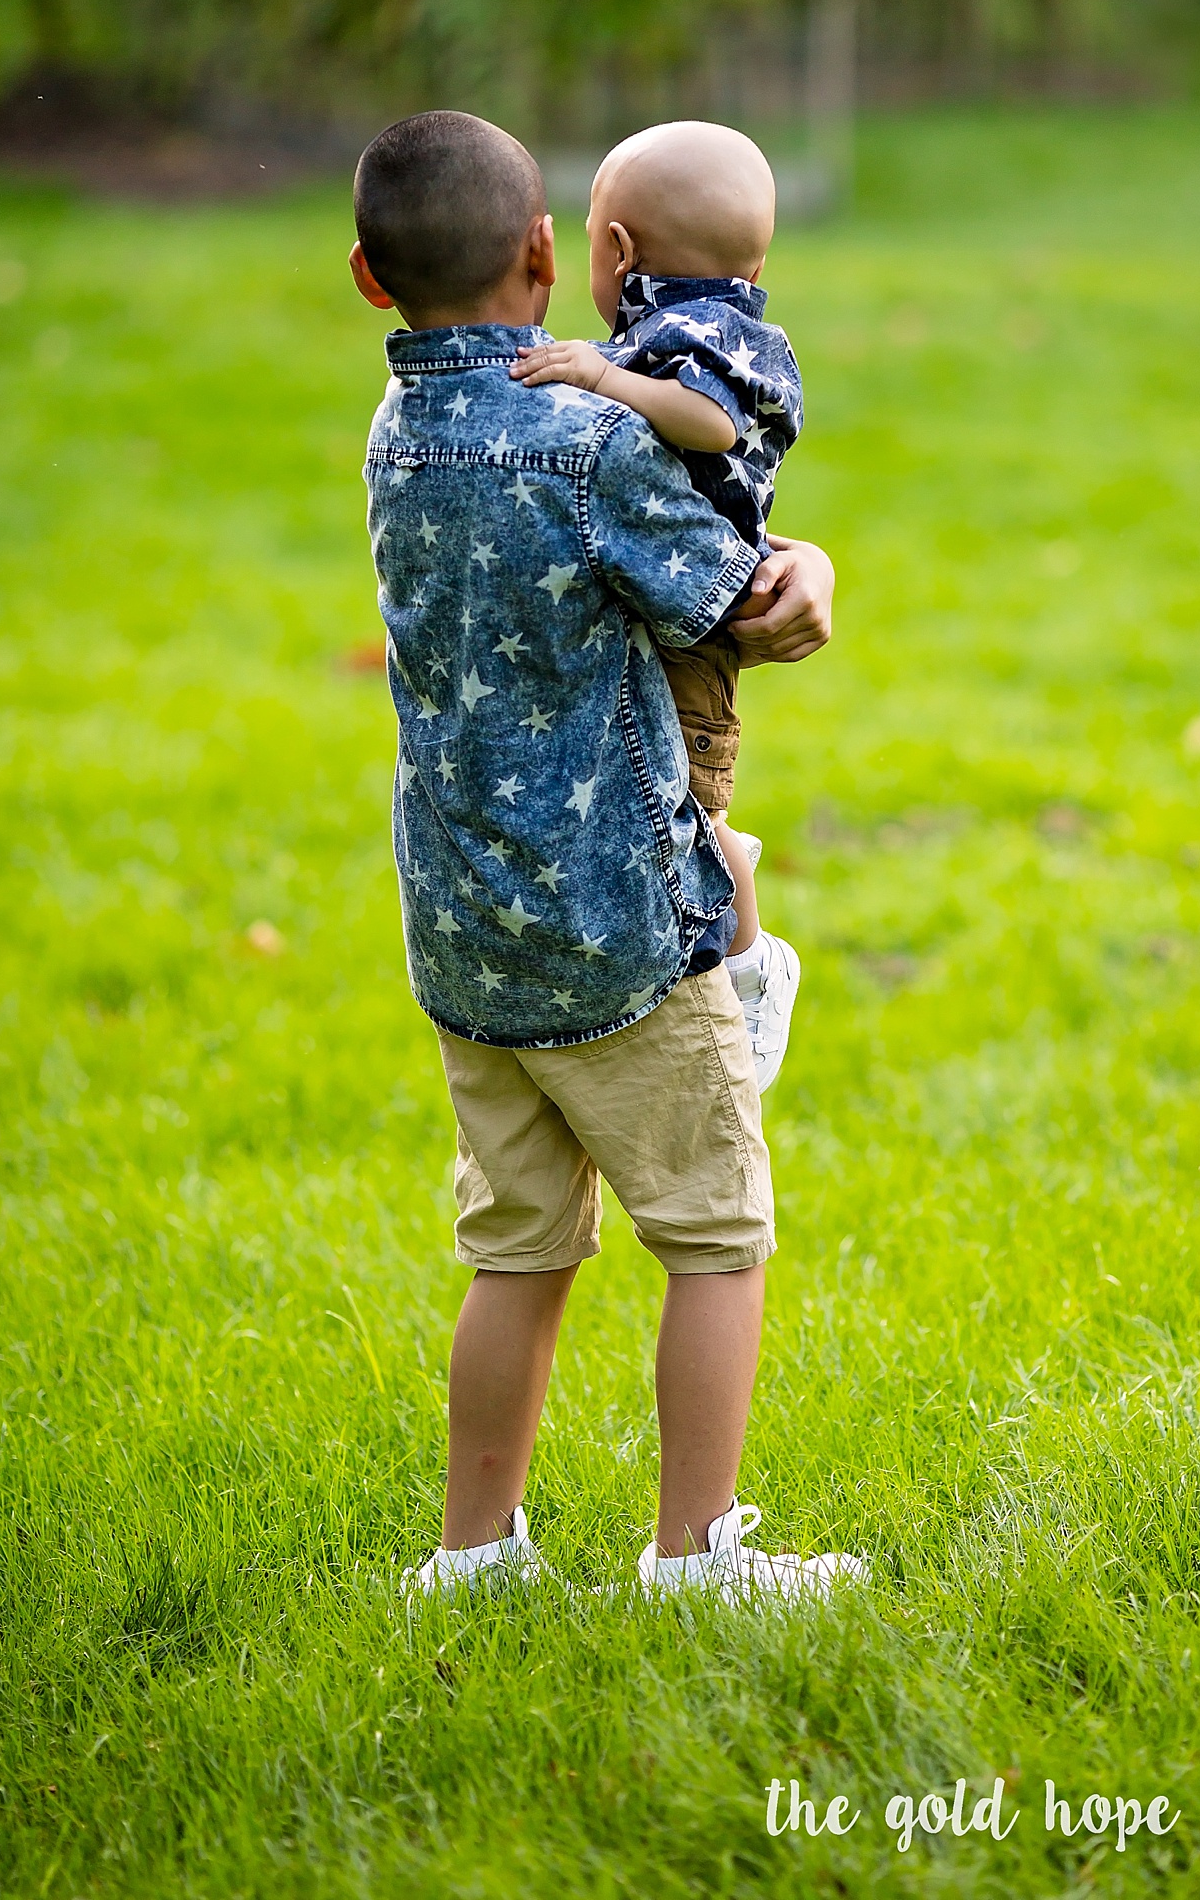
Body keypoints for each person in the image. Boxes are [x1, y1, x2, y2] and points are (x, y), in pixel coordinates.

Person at [349, 109, 861, 1600]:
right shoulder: (587, 441)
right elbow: (741, 607)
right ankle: (694, 1554)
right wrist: (812, 564)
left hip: (462, 931)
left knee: (516, 1248)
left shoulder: (394, 434)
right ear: (546, 258)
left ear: (373, 284)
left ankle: (474, 1554)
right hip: (617, 927)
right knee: (716, 1234)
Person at [509, 121, 800, 1090]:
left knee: (688, 815)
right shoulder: (678, 330)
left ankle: (752, 975)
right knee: (655, 809)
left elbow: (712, 421)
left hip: (698, 624)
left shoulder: (702, 335)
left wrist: (600, 374)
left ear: (619, 249)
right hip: (668, 597)